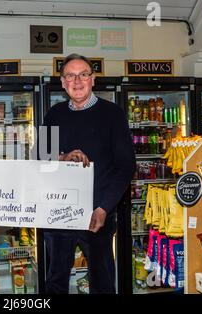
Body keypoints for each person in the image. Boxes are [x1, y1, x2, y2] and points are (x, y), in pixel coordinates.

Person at [40, 54, 136, 294]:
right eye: (70, 75)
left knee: (102, 282)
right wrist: (62, 158)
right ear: (62, 82)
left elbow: (125, 167)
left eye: (83, 74)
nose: (77, 80)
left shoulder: (113, 114)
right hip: (58, 213)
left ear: (93, 79)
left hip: (98, 214)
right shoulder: (54, 114)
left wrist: (103, 208)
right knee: (56, 281)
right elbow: (40, 158)